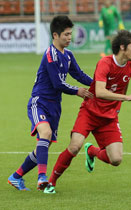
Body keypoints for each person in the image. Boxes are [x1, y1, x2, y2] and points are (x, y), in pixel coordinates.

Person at [44, 30, 131, 194]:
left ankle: (91, 151)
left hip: (109, 117)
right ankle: (51, 182)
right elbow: (99, 92)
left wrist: (118, 107)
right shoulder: (105, 63)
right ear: (122, 47)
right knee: (75, 146)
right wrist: (126, 98)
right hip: (90, 112)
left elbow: (122, 84)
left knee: (117, 159)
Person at [7, 15, 93, 191]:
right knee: (44, 133)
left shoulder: (68, 55)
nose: (70, 38)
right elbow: (57, 83)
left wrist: (98, 84)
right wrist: (78, 91)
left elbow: (80, 75)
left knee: (41, 149)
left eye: (71, 34)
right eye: (66, 34)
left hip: (55, 106)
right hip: (39, 101)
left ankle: (16, 177)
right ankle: (42, 178)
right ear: (55, 35)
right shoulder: (50, 55)